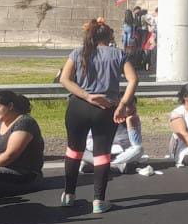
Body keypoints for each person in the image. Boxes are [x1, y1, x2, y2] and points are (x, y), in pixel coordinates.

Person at [58, 20, 139, 213]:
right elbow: (133, 79)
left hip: (78, 106)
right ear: (109, 36)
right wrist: (122, 105)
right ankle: (98, 200)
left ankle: (69, 194)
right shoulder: (119, 54)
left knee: (73, 150)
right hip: (106, 107)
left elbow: (64, 79)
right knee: (102, 153)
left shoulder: (78, 53)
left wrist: (86, 95)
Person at [80, 97, 143, 175]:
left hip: (121, 155)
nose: (133, 108)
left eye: (134, 105)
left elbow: (136, 145)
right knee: (80, 151)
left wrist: (130, 123)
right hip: (100, 152)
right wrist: (109, 150)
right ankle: (115, 166)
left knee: (139, 149)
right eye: (129, 106)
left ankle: (101, 166)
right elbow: (89, 142)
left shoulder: (133, 119)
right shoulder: (103, 118)